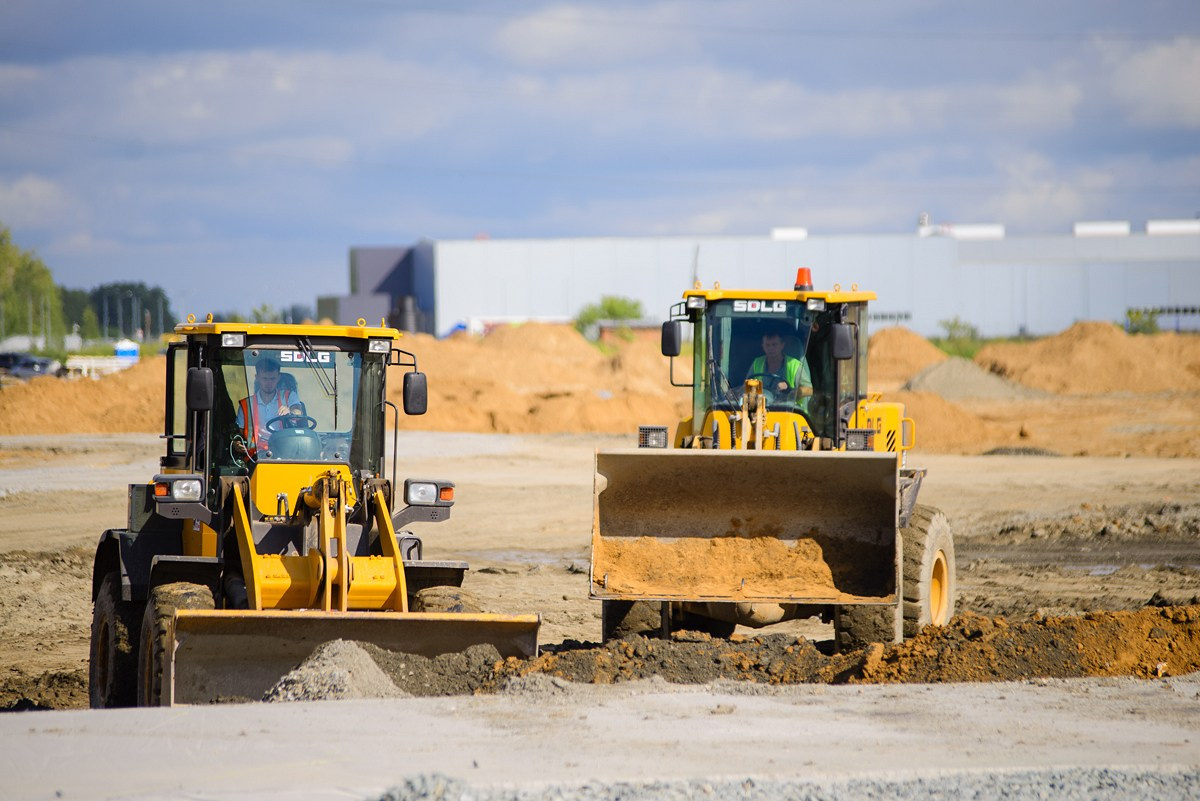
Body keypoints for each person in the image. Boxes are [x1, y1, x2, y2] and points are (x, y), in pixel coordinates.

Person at [234, 357, 303, 457]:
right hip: (255, 456)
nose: (269, 383)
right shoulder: (246, 404)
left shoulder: (288, 396)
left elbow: (298, 411)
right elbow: (239, 435)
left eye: (272, 379)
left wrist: (290, 411)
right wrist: (237, 444)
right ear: (257, 377)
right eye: (265, 379)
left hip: (285, 452)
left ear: (278, 378)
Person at [746, 328, 812, 409]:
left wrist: (790, 391)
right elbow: (747, 387)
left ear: (782, 345)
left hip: (788, 411)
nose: (771, 348)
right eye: (767, 345)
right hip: (761, 409)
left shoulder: (794, 365)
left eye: (774, 345)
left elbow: (809, 390)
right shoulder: (757, 363)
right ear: (763, 346)